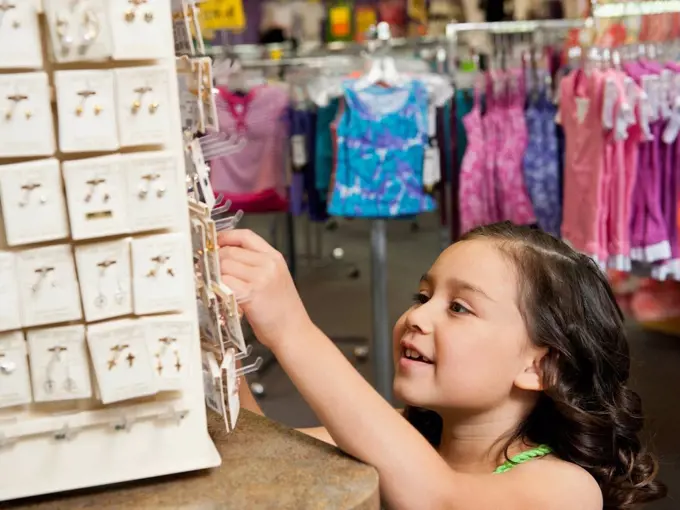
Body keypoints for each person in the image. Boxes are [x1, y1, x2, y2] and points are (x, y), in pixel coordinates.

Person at [218, 221, 666, 509]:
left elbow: (439, 500)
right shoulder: (405, 435)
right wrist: (220, 338)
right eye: (423, 296)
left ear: (539, 368)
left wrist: (293, 330)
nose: (417, 316)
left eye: (459, 308)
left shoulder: (564, 490)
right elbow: (259, 450)